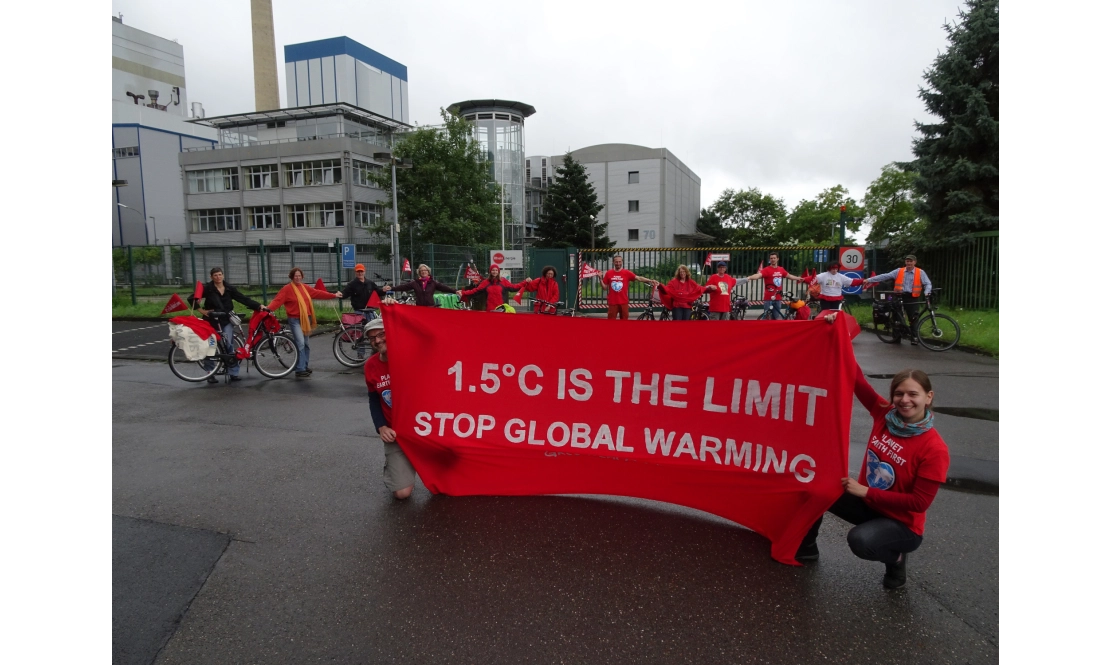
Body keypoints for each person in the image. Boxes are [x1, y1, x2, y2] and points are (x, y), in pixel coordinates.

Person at [796, 348, 950, 590]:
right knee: (816, 483)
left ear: (928, 397)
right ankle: (806, 548)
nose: (904, 400)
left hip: (902, 523)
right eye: (898, 394)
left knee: (860, 541)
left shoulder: (934, 449)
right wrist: (839, 337)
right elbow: (857, 380)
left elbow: (919, 503)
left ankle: (896, 558)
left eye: (913, 394)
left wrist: (865, 492)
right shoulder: (885, 414)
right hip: (870, 506)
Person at [362, 316, 417, 500]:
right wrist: (381, 427)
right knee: (402, 494)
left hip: (424, 430)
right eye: (371, 338)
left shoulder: (410, 355)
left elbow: (427, 336)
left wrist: (396, 315)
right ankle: (397, 467)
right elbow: (374, 399)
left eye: (381, 334)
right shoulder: (371, 365)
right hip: (396, 434)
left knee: (445, 486)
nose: (377, 340)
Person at [188, 267, 263, 384]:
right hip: (211, 320)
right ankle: (210, 373)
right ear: (211, 277)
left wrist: (258, 306)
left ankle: (233, 372)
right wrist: (202, 311)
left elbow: (242, 299)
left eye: (220, 275)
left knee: (229, 345)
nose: (218, 277)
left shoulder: (229, 288)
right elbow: (192, 298)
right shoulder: (207, 288)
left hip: (226, 320)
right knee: (211, 347)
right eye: (215, 275)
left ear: (223, 275)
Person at [266, 267, 338, 378]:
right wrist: (268, 309)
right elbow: (278, 300)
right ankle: (299, 369)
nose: (298, 277)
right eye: (296, 276)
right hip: (294, 320)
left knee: (306, 344)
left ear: (302, 276)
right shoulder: (287, 289)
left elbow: (318, 293)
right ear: (292, 277)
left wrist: (333, 295)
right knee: (300, 343)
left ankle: (304, 366)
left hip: (306, 319)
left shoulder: (305, 288)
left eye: (299, 275)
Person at [864, 254, 933, 345]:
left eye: (911, 261)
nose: (909, 263)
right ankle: (896, 337)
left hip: (912, 297)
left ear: (915, 262)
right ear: (905, 262)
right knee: (897, 317)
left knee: (913, 318)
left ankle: (914, 338)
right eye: (907, 261)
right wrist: (869, 280)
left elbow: (928, 283)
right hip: (899, 296)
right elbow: (885, 276)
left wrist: (927, 292)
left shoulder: (920, 272)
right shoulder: (899, 271)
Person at [744, 252, 803, 320]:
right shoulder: (766, 270)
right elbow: (758, 275)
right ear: (769, 260)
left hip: (778, 297)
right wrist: (749, 278)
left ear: (777, 259)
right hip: (769, 297)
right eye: (771, 258)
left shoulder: (781, 269)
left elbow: (789, 276)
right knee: (766, 317)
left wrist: (798, 278)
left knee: (775, 317)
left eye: (774, 258)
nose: (773, 260)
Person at [602, 255, 658, 320]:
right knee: (611, 323)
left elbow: (639, 278)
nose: (618, 263)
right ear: (613, 262)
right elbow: (605, 288)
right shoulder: (609, 273)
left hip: (623, 302)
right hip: (612, 302)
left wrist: (650, 280)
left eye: (619, 262)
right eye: (616, 262)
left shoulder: (626, 273)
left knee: (624, 322)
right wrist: (600, 279)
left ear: (622, 262)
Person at [458, 264, 526, 311]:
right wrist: (463, 293)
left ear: (498, 272)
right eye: (493, 270)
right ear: (490, 272)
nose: (494, 272)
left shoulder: (503, 281)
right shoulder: (485, 282)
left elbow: (514, 287)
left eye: (496, 270)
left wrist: (525, 282)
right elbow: (475, 291)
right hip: (489, 309)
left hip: (501, 309)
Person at [391, 264, 457, 307]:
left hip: (430, 307)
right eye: (421, 270)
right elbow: (403, 287)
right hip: (419, 307)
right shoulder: (415, 283)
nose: (423, 272)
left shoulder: (433, 282)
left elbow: (444, 288)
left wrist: (455, 291)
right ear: (419, 272)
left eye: (425, 270)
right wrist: (391, 288)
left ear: (428, 272)